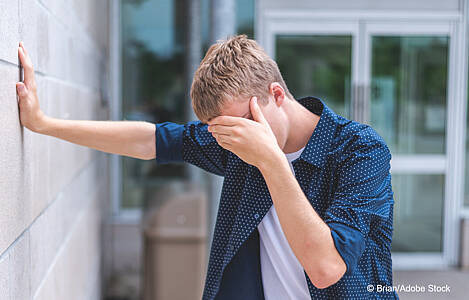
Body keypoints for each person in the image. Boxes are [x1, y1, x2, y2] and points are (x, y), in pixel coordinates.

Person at [15, 35, 398, 299]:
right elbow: (151, 140)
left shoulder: (360, 151)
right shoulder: (238, 143)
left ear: (276, 95)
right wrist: (44, 124)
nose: (234, 139)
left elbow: (326, 267)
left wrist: (271, 162)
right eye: (223, 131)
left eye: (239, 125)